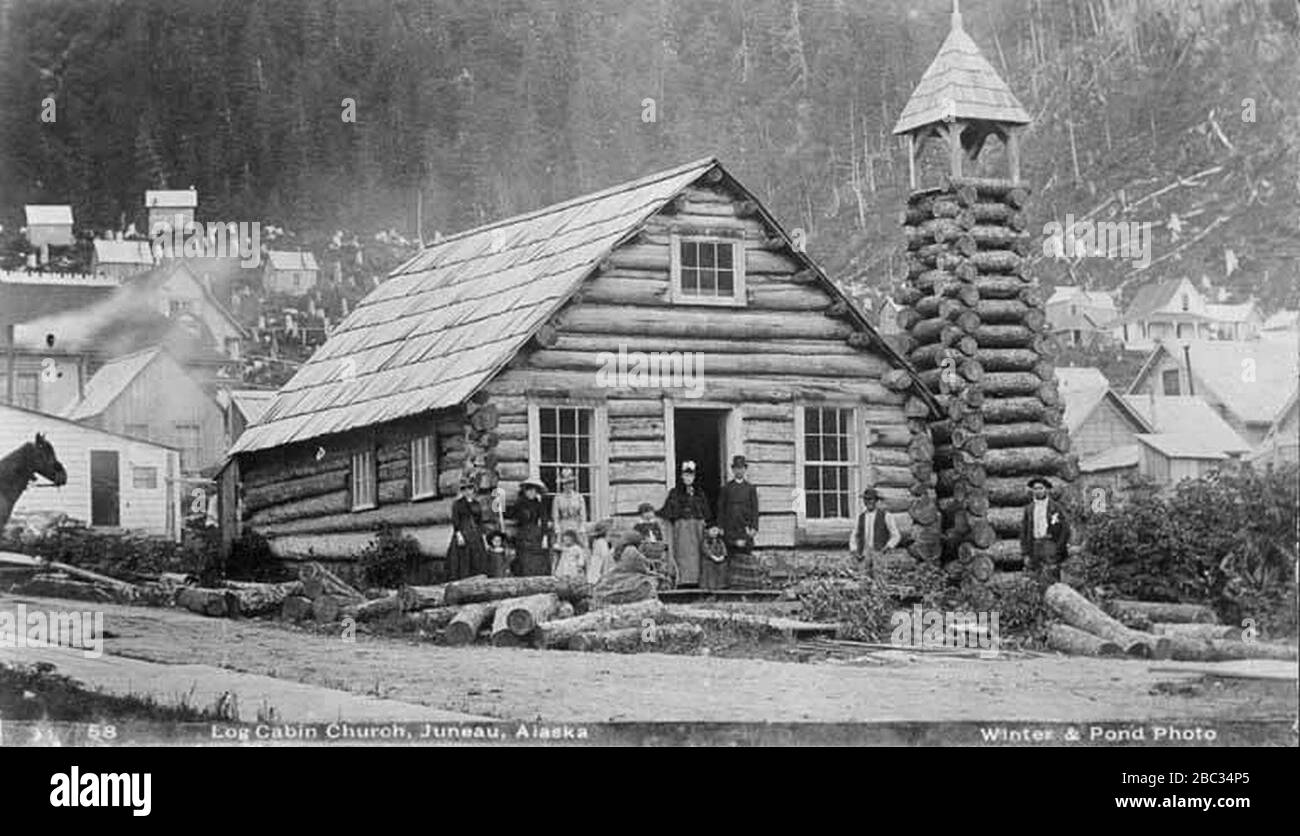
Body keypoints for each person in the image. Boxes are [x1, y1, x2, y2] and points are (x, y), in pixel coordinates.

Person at [658, 460, 711, 587]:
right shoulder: (675, 492)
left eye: (691, 476)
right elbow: (669, 511)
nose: (688, 478)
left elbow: (706, 512)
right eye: (686, 475)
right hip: (681, 528)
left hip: (697, 528)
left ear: (694, 477)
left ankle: (697, 581)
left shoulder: (699, 493)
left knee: (697, 555)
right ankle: (682, 581)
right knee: (682, 554)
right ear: (681, 476)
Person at [716, 454, 761, 589]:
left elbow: (755, 510)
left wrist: (754, 527)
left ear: (745, 469)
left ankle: (746, 585)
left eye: (741, 468)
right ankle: (731, 585)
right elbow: (721, 509)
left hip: (745, 527)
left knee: (745, 554)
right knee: (731, 555)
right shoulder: (726, 488)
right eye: (736, 468)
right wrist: (721, 526)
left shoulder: (750, 489)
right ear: (732, 470)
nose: (739, 471)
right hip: (730, 527)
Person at [1019, 476, 1071, 581]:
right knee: (1035, 576)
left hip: (1050, 544)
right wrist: (1025, 552)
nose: (1038, 491)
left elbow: (1065, 528)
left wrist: (1059, 546)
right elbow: (1024, 531)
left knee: (1051, 575)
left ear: (1046, 490)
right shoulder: (1029, 509)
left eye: (1041, 488)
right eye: (1035, 489)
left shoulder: (1055, 507)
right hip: (1034, 545)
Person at [446, 478, 491, 580]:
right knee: (462, 558)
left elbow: (480, 521)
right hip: (463, 532)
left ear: (473, 490)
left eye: (470, 489)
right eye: (464, 489)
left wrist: (484, 537)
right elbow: (456, 520)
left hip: (475, 534)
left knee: (477, 557)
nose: (468, 492)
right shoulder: (457, 504)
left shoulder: (476, 504)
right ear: (462, 491)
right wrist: (458, 535)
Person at [506, 477, 552, 576]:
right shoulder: (519, 504)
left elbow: (544, 520)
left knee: (537, 559)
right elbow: (511, 515)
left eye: (534, 491)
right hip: (523, 534)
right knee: (524, 558)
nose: (531, 493)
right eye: (529, 491)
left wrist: (545, 537)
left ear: (537, 492)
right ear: (525, 491)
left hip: (536, 534)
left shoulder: (539, 505)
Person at [849, 488, 901, 574]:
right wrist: (854, 550)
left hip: (879, 553)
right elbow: (854, 535)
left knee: (880, 577)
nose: (868, 502)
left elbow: (896, 535)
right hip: (864, 554)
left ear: (876, 501)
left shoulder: (886, 516)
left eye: (870, 499)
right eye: (865, 499)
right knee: (863, 578)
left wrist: (888, 547)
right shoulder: (861, 517)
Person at [634, 502, 675, 589]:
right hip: (645, 549)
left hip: (655, 548)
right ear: (642, 514)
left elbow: (659, 536)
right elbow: (637, 537)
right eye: (646, 512)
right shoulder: (638, 526)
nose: (649, 514)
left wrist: (660, 542)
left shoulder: (655, 525)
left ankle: (662, 581)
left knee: (660, 563)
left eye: (650, 512)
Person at [551, 467, 588, 539]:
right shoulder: (558, 498)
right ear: (563, 485)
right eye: (566, 484)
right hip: (563, 527)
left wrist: (582, 528)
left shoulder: (579, 497)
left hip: (576, 526)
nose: (568, 486)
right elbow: (555, 516)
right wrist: (557, 529)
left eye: (570, 483)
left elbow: (583, 515)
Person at [586, 519, 616, 584]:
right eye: (610, 531)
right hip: (600, 571)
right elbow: (605, 556)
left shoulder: (598, 541)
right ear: (605, 532)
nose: (612, 533)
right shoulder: (601, 542)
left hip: (596, 570)